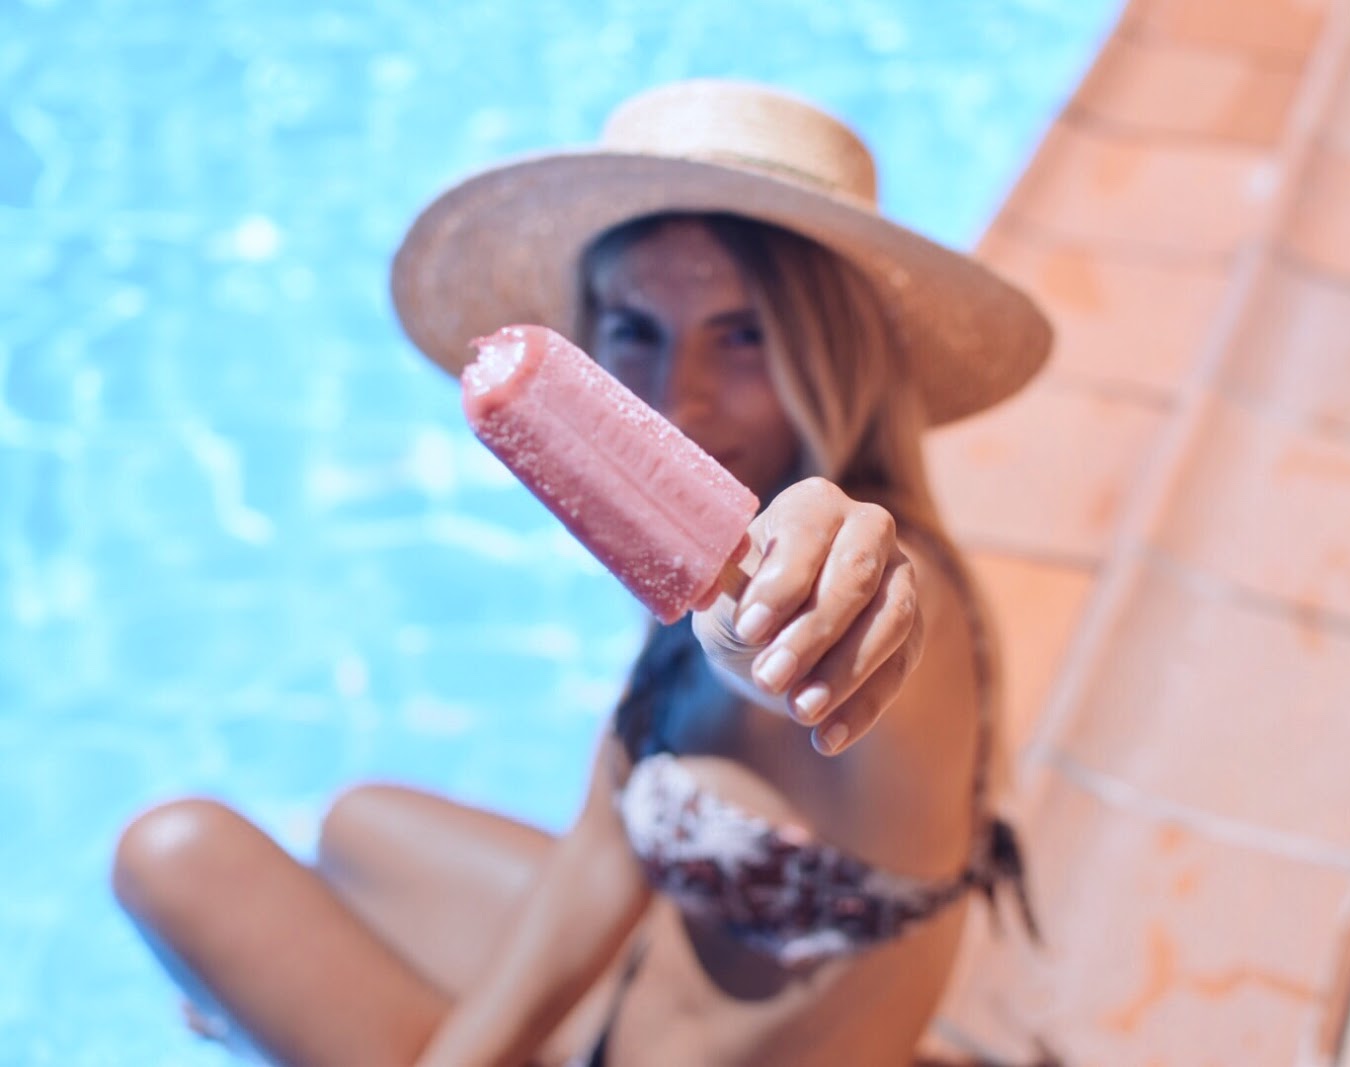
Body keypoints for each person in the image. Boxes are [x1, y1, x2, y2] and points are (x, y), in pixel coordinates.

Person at [112, 79, 1050, 1067]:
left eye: (742, 333)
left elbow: (803, 639)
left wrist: (801, 595)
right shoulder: (701, 559)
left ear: (833, 353)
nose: (680, 395)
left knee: (174, 855)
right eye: (636, 329)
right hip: (633, 991)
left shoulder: (858, 591)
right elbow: (608, 843)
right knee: (357, 825)